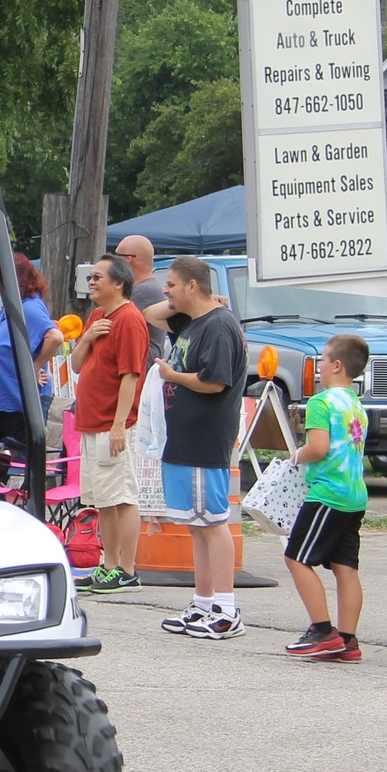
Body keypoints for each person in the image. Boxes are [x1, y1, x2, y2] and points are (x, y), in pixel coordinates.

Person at [149, 255, 248, 639]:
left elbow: (216, 382)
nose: (165, 291)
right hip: (182, 438)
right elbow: (150, 314)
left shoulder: (219, 326)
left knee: (213, 522)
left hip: (206, 437)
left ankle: (226, 607)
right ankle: (203, 602)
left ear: (192, 286)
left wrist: (173, 375)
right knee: (195, 523)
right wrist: (198, 298)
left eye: (172, 284)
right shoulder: (192, 320)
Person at [283, 334, 371, 662]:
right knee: (344, 566)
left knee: (296, 557)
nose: (319, 367)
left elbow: (318, 448)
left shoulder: (321, 403)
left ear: (336, 365)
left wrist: (298, 455)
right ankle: (348, 639)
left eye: (322, 360)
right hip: (354, 495)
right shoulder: (356, 405)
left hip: (327, 494)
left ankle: (322, 630)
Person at [67, 253, 150, 595]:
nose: (92, 281)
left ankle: (128, 570)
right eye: (91, 277)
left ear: (119, 283)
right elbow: (74, 365)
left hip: (112, 423)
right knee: (103, 498)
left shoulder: (129, 319)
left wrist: (119, 426)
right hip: (91, 421)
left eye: (99, 277)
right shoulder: (98, 315)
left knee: (122, 495)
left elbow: (131, 376)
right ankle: (109, 564)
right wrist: (87, 337)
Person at [0, 253, 65, 472]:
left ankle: (1, 487)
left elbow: (55, 336)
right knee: (8, 448)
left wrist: (34, 366)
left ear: (13, 278)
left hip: (19, 399)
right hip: (5, 398)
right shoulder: (11, 308)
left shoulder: (29, 307)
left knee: (16, 450)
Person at [113, 233, 167, 366]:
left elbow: (113, 327)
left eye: (116, 256)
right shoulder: (147, 288)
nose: (113, 262)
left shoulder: (142, 292)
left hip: (138, 367)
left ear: (128, 259)